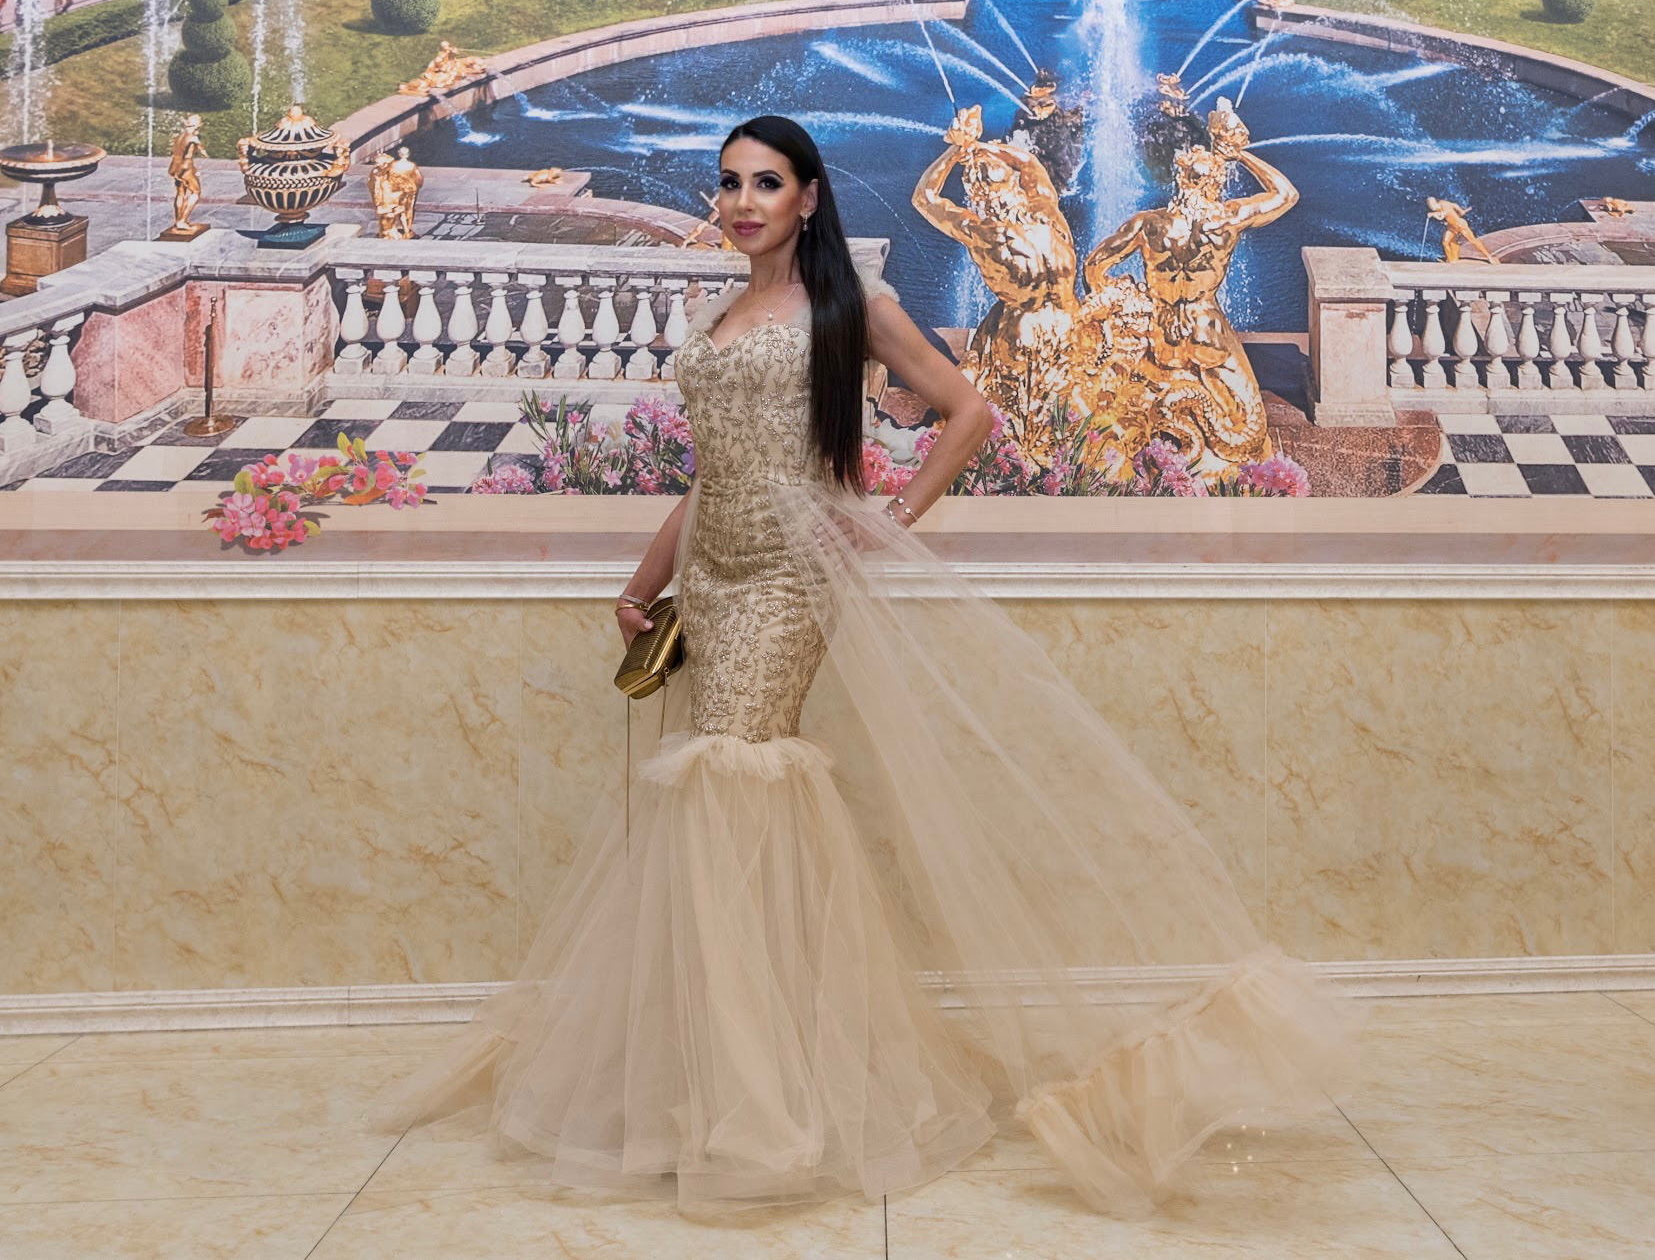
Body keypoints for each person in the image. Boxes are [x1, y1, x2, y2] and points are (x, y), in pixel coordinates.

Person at [366, 114, 1361, 1218]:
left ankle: (761, 1103)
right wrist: (645, 584)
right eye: (727, 184)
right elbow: (711, 473)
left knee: (734, 779)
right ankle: (727, 1068)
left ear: (807, 197)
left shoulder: (849, 307)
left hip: (789, 577)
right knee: (718, 801)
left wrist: (888, 517)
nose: (741, 203)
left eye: (765, 184)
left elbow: (969, 411)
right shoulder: (717, 315)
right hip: (712, 573)